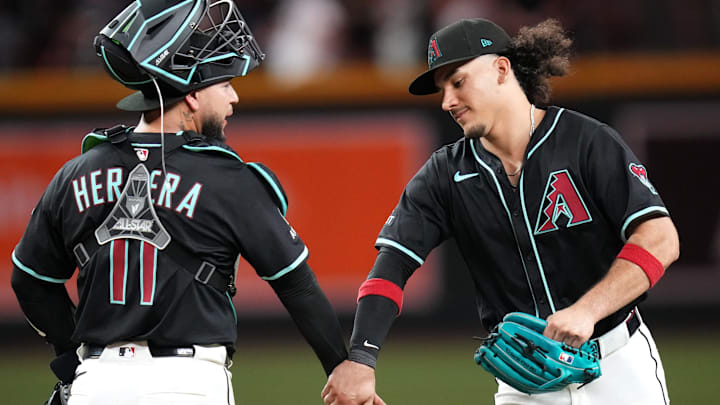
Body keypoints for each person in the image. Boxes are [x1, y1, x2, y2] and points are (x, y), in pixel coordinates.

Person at [322, 17, 679, 405]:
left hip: (618, 364)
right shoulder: (445, 174)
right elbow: (390, 268)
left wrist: (587, 311)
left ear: (501, 69)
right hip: (524, 383)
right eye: (442, 90)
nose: (447, 102)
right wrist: (361, 358)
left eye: (457, 82)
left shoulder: (586, 141)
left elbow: (661, 238)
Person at [10, 1, 348, 404]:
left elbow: (30, 280)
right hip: (189, 382)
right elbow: (297, 285)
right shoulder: (228, 178)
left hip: (95, 384)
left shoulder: (76, 173)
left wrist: (71, 358)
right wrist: (341, 366)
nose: (233, 98)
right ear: (191, 96)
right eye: (224, 84)